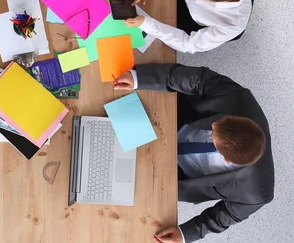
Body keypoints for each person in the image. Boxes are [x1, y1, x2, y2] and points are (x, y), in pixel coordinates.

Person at [113, 63, 273, 242]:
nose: (213, 124)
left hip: (175, 176)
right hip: (173, 120)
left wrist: (185, 234)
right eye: (220, 122)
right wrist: (139, 78)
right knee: (110, 109)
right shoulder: (239, 98)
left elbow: (227, 215)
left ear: (227, 159)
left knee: (117, 184)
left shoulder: (256, 194)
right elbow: (198, 79)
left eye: (213, 134)